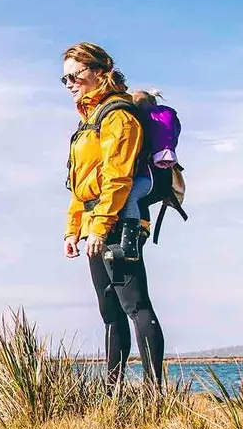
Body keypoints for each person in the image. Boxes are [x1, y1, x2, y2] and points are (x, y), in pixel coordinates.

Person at [61, 43, 165, 384]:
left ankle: (154, 394)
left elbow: (117, 178)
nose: (70, 83)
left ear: (99, 70)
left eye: (75, 75)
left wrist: (101, 228)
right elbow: (81, 185)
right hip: (94, 224)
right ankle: (113, 392)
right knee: (110, 313)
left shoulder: (117, 116)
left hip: (119, 221)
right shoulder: (87, 121)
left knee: (136, 306)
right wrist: (73, 230)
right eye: (64, 79)